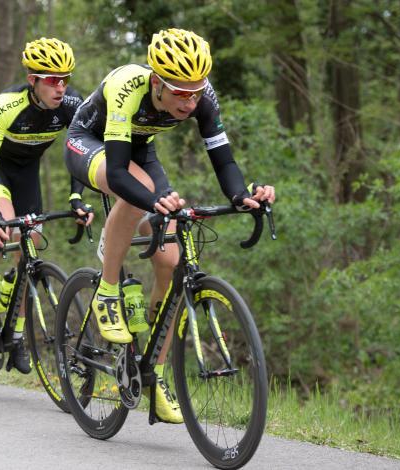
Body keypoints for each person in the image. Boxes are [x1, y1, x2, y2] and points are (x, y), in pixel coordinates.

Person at [64, 28, 276, 422]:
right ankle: (107, 290)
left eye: (195, 92)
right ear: (157, 82)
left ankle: (153, 373)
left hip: (141, 151)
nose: (190, 101)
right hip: (89, 143)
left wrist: (241, 195)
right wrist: (153, 202)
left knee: (171, 259)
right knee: (141, 190)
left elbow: (224, 161)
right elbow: (117, 171)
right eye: (180, 92)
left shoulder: (202, 96)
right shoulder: (129, 85)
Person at [0, 37, 93, 374]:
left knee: (31, 247)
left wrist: (77, 197)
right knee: (8, 229)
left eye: (65, 78)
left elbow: (79, 152)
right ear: (32, 81)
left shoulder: (71, 104)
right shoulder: (6, 104)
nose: (60, 86)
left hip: (26, 173)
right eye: (52, 80)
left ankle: (17, 335)